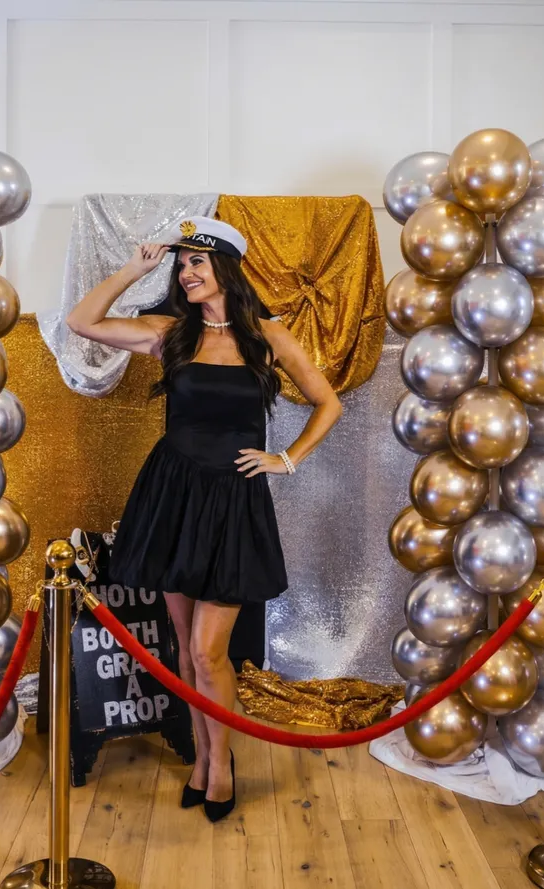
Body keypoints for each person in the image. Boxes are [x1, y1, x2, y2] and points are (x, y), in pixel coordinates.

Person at [66, 217, 341, 821]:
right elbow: (82, 321)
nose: (186, 273)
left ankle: (221, 765)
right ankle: (204, 759)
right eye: (181, 264)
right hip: (174, 495)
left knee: (208, 650)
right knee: (186, 652)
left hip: (234, 503)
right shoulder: (169, 332)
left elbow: (328, 402)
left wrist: (286, 459)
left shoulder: (267, 336)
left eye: (197, 262)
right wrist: (135, 269)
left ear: (226, 269)